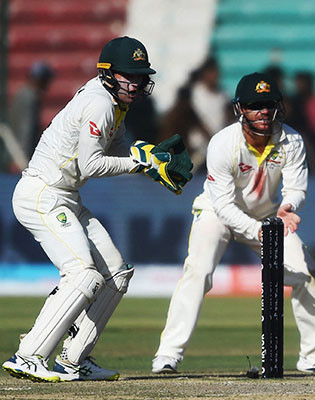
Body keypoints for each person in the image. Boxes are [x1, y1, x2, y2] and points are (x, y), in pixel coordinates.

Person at [1, 36, 193, 383]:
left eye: (140, 76)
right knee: (83, 274)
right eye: (128, 75)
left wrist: (148, 158)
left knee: (117, 273)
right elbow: (91, 165)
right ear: (108, 73)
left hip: (66, 196)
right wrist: (140, 162)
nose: (136, 83)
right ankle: (29, 354)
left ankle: (74, 359)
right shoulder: (99, 103)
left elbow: (117, 147)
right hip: (42, 194)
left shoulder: (115, 103)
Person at [152, 72, 315, 374]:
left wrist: (287, 207)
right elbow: (223, 204)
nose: (263, 111)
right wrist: (258, 230)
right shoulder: (223, 143)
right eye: (255, 105)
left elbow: (297, 188)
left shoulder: (292, 140)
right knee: (198, 272)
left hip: (269, 217)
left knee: (305, 272)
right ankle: (168, 354)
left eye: (268, 104)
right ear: (240, 109)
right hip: (217, 214)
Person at [188, 56, 235, 172]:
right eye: (211, 72)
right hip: (197, 147)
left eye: (216, 73)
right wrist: (208, 136)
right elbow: (193, 118)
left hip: (217, 148)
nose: (214, 76)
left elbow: (227, 116)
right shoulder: (195, 93)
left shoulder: (223, 94)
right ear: (204, 73)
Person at [8, 61, 55, 171]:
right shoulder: (30, 97)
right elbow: (26, 129)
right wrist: (23, 160)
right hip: (19, 155)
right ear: (40, 80)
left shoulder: (24, 93)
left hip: (16, 150)